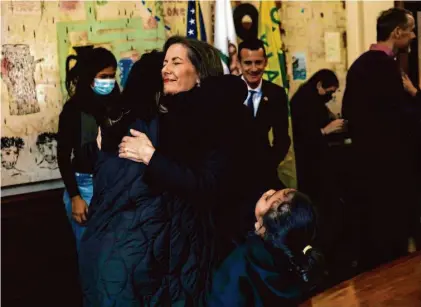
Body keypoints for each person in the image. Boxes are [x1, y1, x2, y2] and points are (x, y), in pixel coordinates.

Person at [79, 37, 250, 306]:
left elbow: (207, 186)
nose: (166, 69)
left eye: (176, 62)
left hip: (168, 254)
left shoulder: (212, 120)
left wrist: (151, 156)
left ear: (200, 72)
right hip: (139, 256)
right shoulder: (152, 125)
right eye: (164, 63)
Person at [341, 8, 417, 270]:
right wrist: (415, 95)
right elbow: (405, 121)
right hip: (391, 173)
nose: (414, 36)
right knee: (391, 248)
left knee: (370, 243)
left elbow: (348, 113)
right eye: (411, 29)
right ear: (397, 32)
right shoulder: (387, 69)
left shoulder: (359, 65)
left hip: (363, 168)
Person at [208, 189, 326, 306]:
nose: (270, 191)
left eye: (269, 198)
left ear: (261, 226)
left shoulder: (237, 264)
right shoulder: (299, 263)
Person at [57, 47, 120, 251]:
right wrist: (76, 197)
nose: (109, 81)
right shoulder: (73, 110)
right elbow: (63, 156)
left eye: (112, 76)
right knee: (90, 253)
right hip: (84, 186)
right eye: (103, 76)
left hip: (115, 184)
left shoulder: (118, 106)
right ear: (90, 77)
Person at [237, 39, 291, 192]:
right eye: (248, 63)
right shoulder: (226, 91)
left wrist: (269, 163)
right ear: (239, 63)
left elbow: (282, 138)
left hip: (264, 173)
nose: (254, 69)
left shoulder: (277, 94)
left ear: (266, 62)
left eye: (258, 62)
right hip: (231, 174)